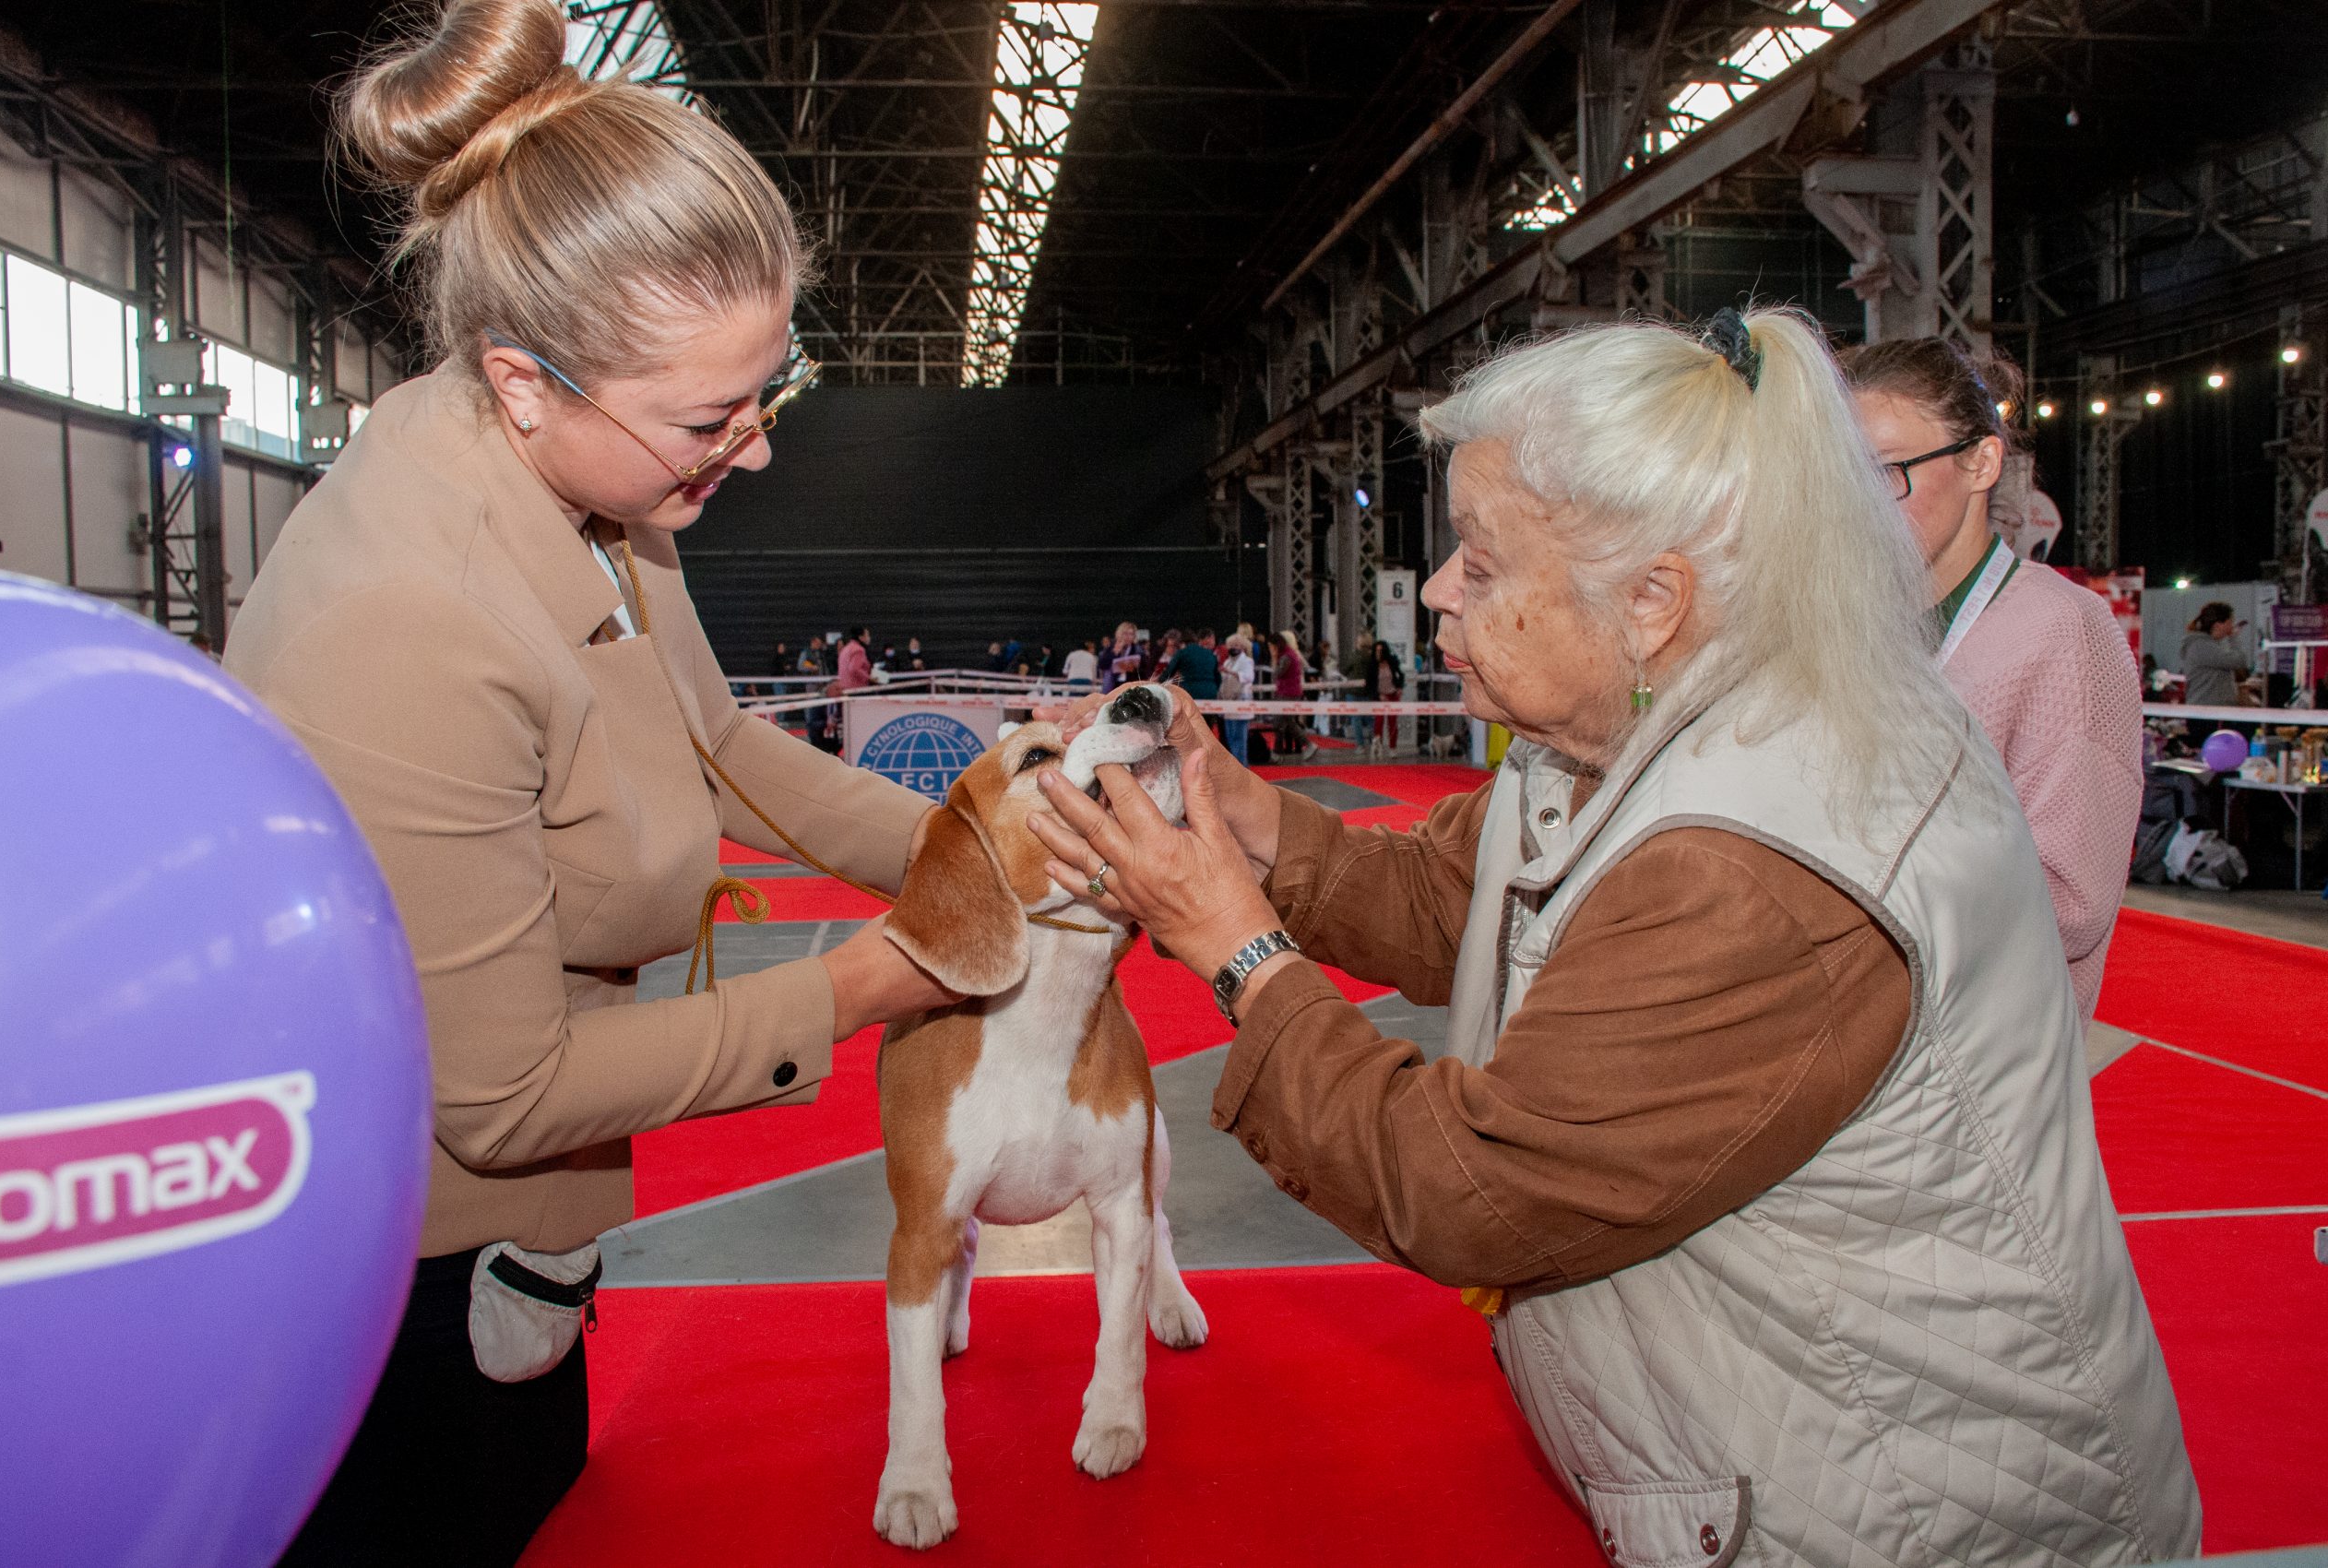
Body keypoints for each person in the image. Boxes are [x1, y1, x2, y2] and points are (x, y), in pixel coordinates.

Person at [1032, 310, 2199, 1563]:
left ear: (1651, 601)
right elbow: (1445, 898)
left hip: (1909, 1514)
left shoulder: (1750, 865)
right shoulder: (1641, 731)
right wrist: (1245, 815)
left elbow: (1469, 1187)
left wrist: (1239, 949)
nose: (1435, 592)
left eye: (1478, 563)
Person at [221, 4, 962, 1558]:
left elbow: (723, 744)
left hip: (529, 1239)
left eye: (772, 390)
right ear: (522, 380)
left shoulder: (591, 491)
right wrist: (858, 988)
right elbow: (507, 1097)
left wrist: (983, 849)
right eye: (708, 418)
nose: (751, 454)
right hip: (401, 1264)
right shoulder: (405, 624)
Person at [1845, 337, 2143, 1023]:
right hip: (1857, 1040)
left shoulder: (2063, 630)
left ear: (1982, 462)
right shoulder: (1856, 624)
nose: (1858, 505)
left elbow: (2069, 901)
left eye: (1888, 473)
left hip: (1983, 1053)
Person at [2180, 600, 2251, 707]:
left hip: (2208, 708)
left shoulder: (2207, 645)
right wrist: (2234, 638)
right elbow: (2239, 661)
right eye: (2230, 623)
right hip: (2207, 710)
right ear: (2219, 625)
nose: (2232, 627)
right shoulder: (2202, 646)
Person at [1218, 632, 1255, 764]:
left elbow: (1249, 677)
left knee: (1240, 738)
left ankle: (1242, 768)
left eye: (1236, 645)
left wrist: (1231, 673)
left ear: (1243, 647)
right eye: (1231, 645)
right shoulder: (1228, 662)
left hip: (1241, 702)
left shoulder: (1247, 661)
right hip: (1228, 703)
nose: (1233, 647)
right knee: (1230, 737)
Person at [1271, 629, 1307, 755]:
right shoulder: (1294, 654)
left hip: (1288, 692)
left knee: (1285, 722)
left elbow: (1277, 674)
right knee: (1289, 721)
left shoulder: (1286, 656)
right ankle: (1286, 748)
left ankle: (1306, 743)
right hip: (1293, 691)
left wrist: (1274, 658)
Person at [1371, 640, 1402, 752]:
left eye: (1381, 650)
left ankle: (1393, 747)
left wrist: (1399, 687)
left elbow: (1400, 675)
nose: (1378, 652)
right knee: (1378, 722)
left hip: (1392, 694)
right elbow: (1370, 683)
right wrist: (1379, 695)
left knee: (1392, 722)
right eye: (1377, 650)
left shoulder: (1392, 661)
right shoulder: (1372, 665)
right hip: (1379, 697)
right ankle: (1378, 746)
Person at [837, 624, 873, 691]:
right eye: (867, 635)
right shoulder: (858, 649)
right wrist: (870, 678)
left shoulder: (845, 649)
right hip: (857, 689)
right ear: (861, 637)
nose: (869, 638)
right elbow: (854, 669)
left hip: (844, 688)